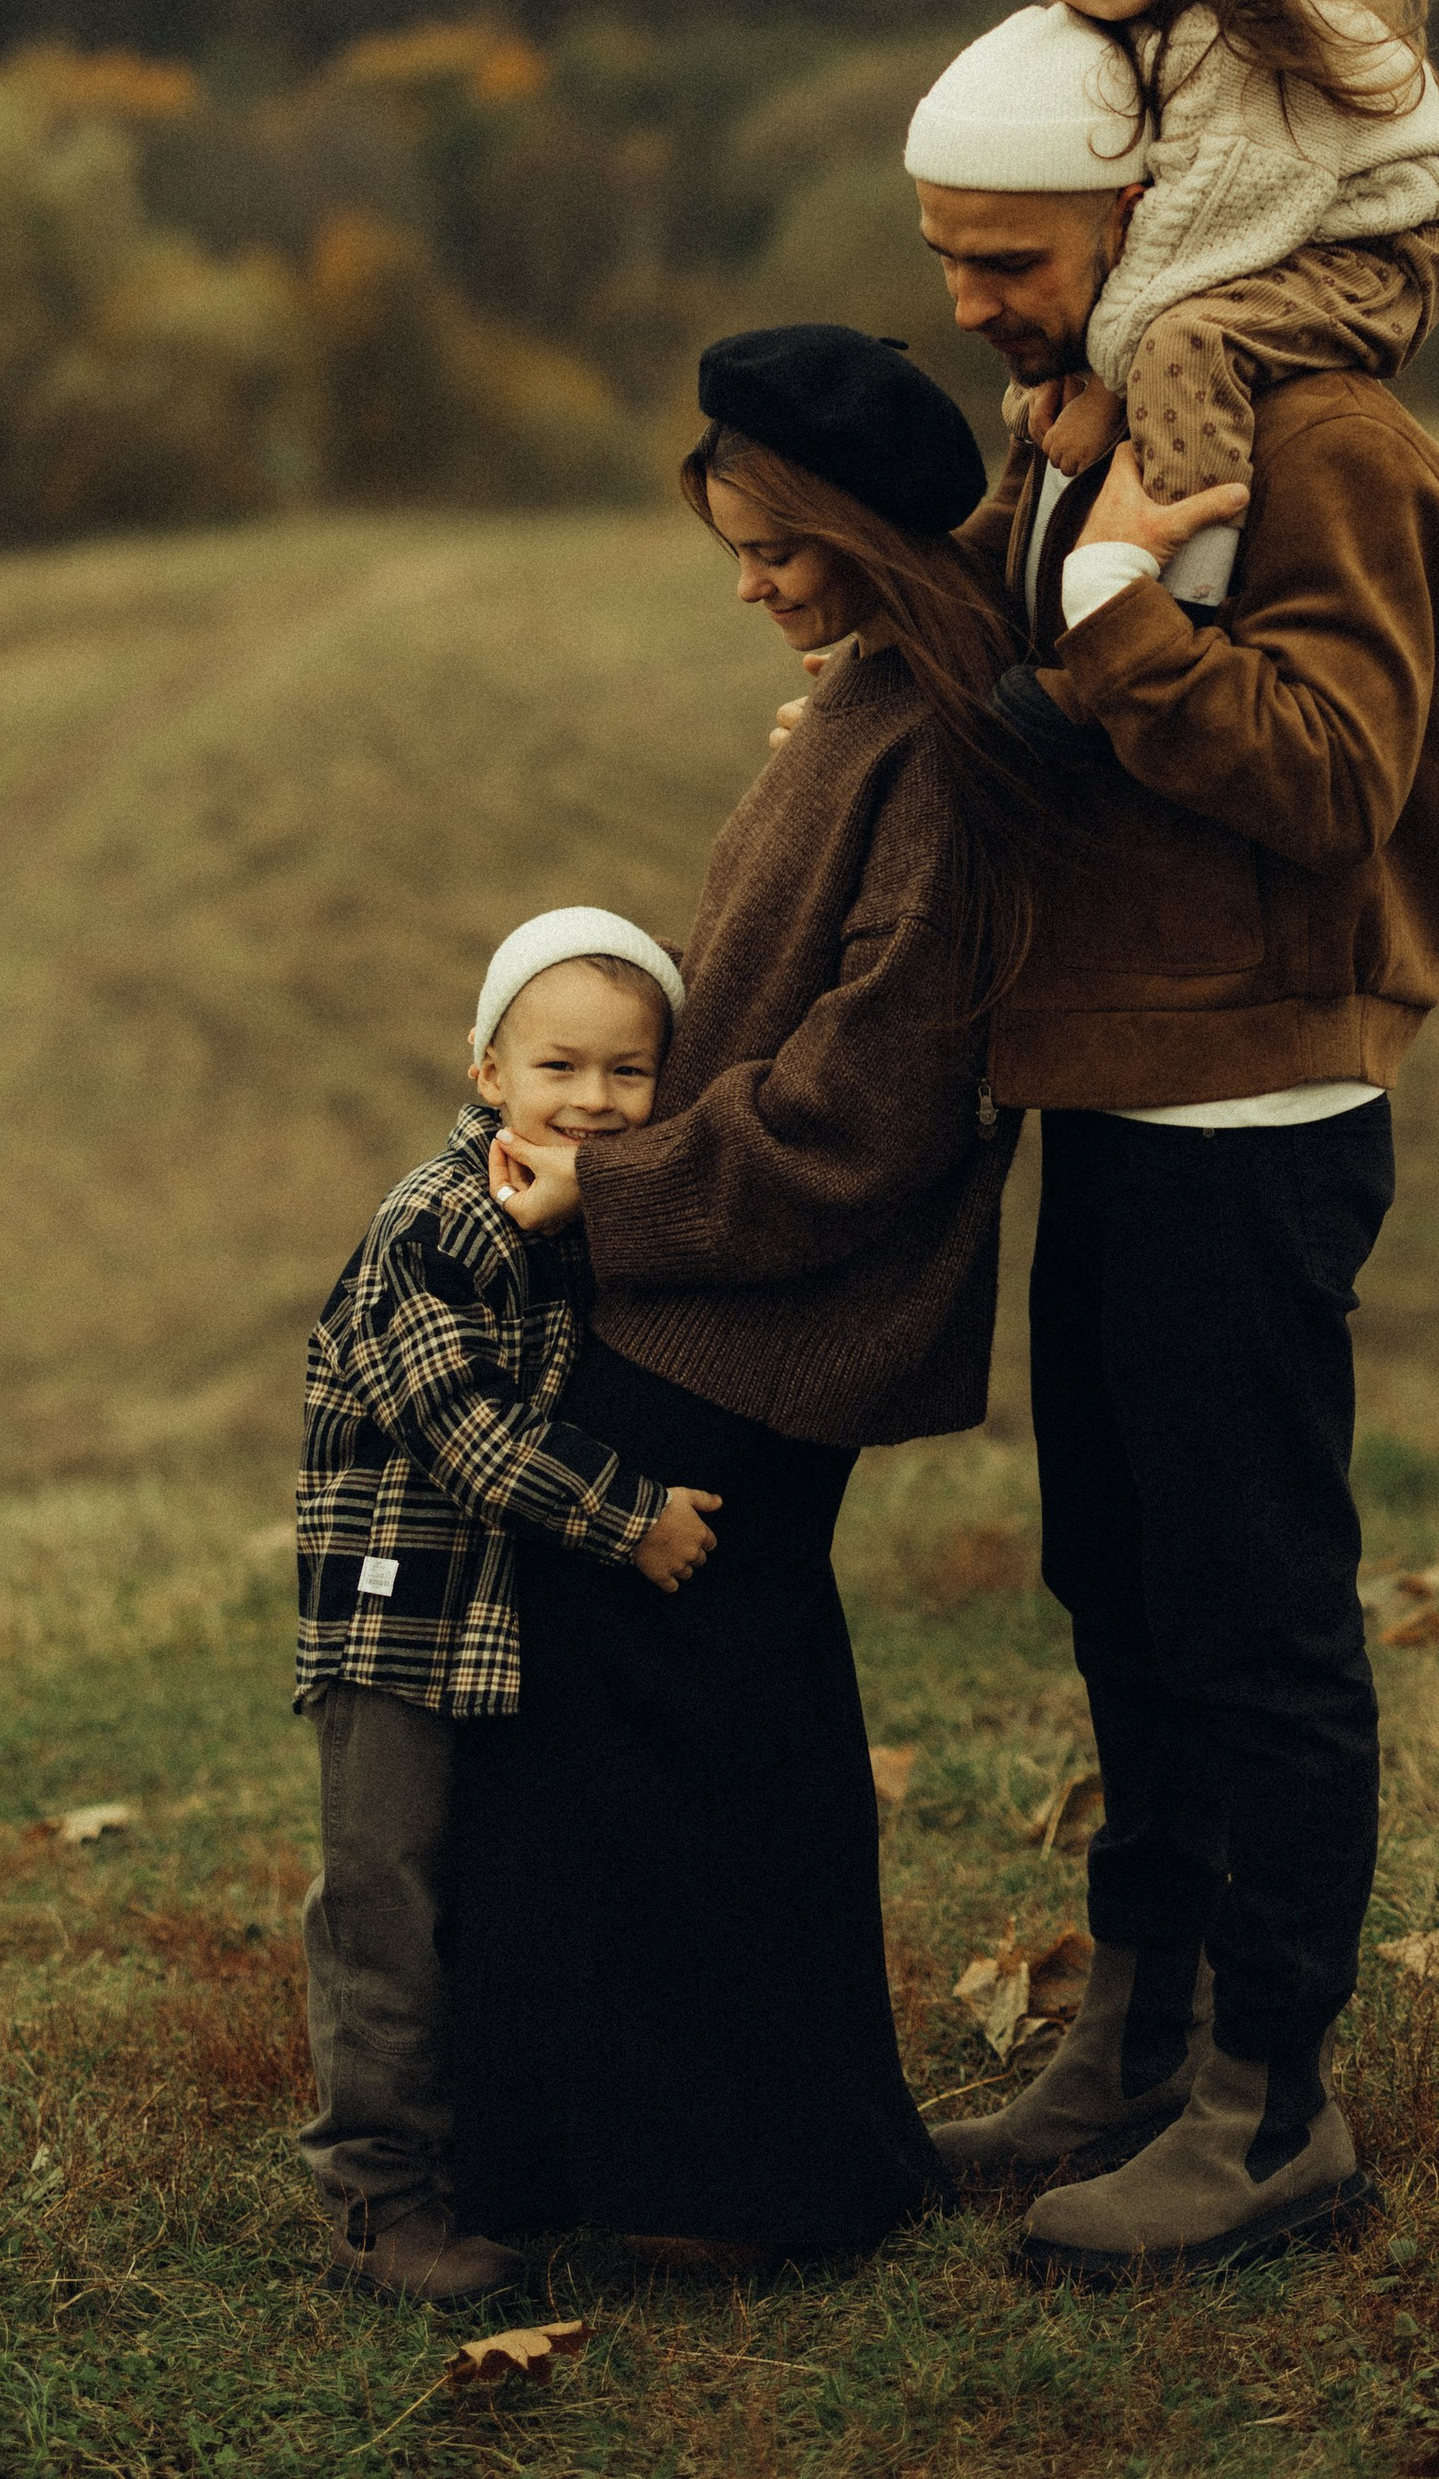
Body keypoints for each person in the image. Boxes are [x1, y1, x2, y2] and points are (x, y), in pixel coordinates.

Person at [898, 0, 1439, 2283]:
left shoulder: (1323, 439)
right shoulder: (1080, 424)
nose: (966, 298)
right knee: (1118, 1585)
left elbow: (1332, 772)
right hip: (1112, 1086)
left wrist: (1112, 609)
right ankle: (1132, 2037)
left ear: (1140, 210)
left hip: (1252, 1102)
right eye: (944, 255)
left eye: (1005, 255)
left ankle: (1273, 2106)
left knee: (1246, 1611)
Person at [444, 324, 1028, 2262]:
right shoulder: (869, 705)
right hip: (706, 1291)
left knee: (695, 1739)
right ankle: (736, 2164)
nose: (753, 586)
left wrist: (606, 1191)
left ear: (867, 533)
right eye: (736, 554)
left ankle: (730, 2186)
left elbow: (864, 1107)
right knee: (696, 1725)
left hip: (760, 1323)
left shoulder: (939, 752)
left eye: (778, 550)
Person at [292, 906, 721, 2305]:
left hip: (485, 1627)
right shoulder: (439, 1219)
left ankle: (481, 2161)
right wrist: (629, 1517)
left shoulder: (573, 1213)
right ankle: (374, 2205)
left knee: (479, 1893)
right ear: (487, 1070)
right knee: (387, 1906)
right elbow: (459, 1422)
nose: (592, 1100)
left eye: (629, 1073)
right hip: (394, 1621)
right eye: (559, 1068)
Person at [968, 0, 1439, 612]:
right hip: (1281, 240)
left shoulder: (1243, 28)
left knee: (1186, 345)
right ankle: (1032, 568)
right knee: (1058, 368)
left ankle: (1181, 589)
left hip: (1374, 252)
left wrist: (1106, 384)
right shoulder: (1141, 23)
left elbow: (1199, 228)